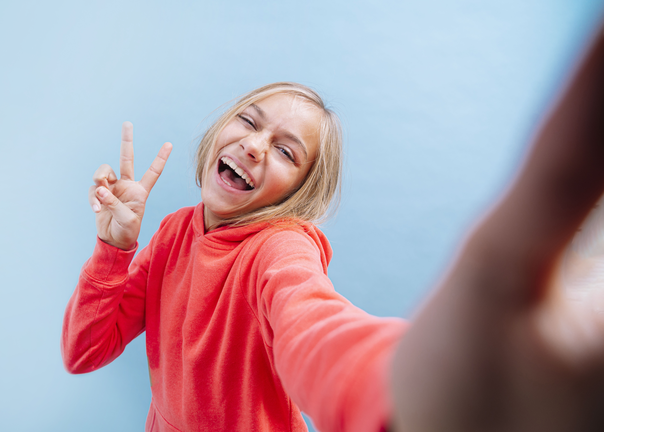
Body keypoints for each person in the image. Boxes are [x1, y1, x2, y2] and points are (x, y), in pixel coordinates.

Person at [62, 28, 603, 432]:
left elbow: (312, 326)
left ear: (296, 192)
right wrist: (113, 247)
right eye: (250, 123)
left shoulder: (279, 250)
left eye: (285, 150)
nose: (255, 145)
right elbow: (84, 350)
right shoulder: (174, 233)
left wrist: (397, 386)